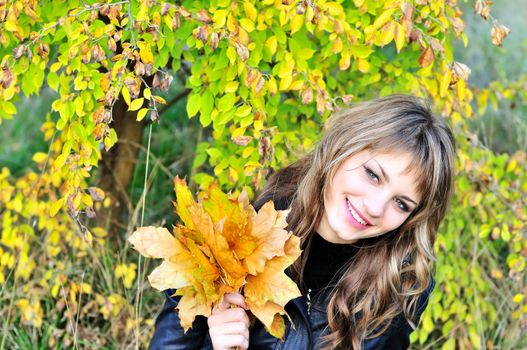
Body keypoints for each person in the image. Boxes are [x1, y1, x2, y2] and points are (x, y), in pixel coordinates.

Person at [149, 94, 456, 349]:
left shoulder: (399, 288)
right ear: (342, 147)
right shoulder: (231, 239)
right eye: (372, 174)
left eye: (401, 203)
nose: (375, 207)